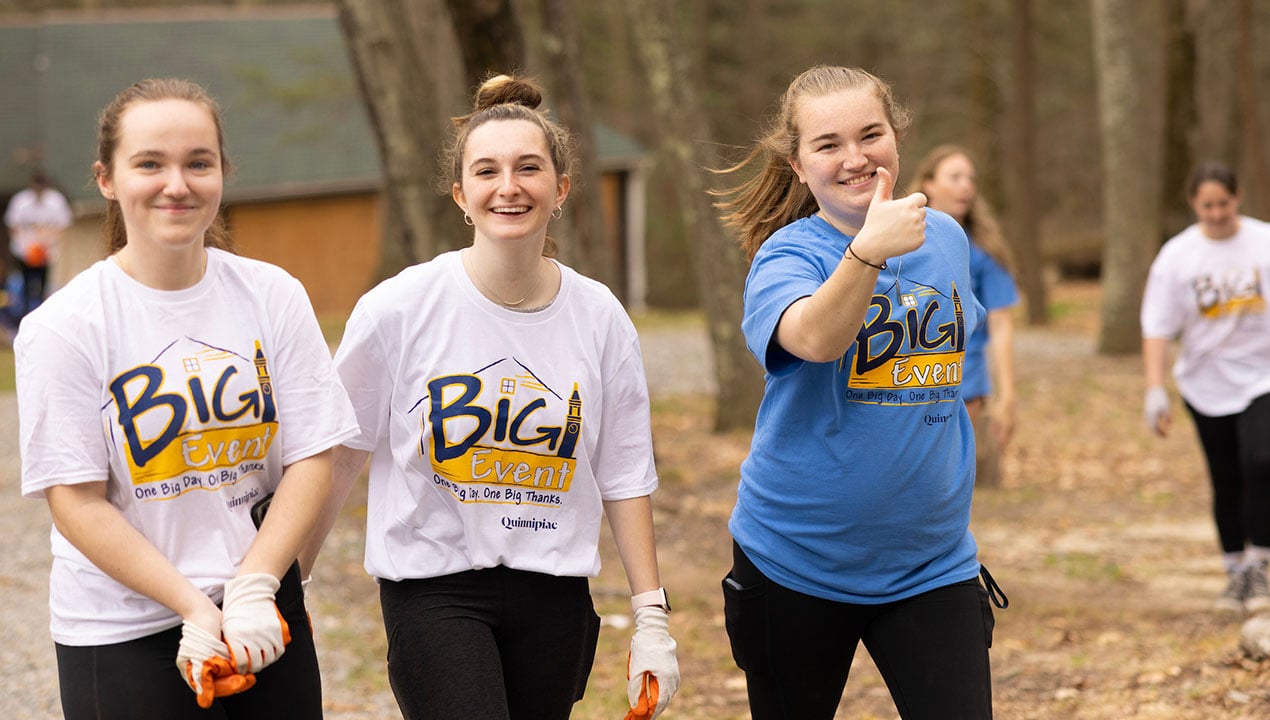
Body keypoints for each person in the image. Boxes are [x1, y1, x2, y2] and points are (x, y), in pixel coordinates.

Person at [301, 74, 679, 720]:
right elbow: (338, 455)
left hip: (555, 592)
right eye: (487, 171)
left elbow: (623, 473)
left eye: (529, 168)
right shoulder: (399, 310)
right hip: (433, 589)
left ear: (560, 189)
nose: (509, 186)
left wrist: (651, 620)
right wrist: (292, 582)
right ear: (461, 195)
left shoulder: (601, 317)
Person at [14, 78, 358, 719]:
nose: (177, 183)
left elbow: (314, 453)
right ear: (108, 179)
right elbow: (76, 501)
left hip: (261, 610)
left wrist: (255, 586)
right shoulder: (64, 324)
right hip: (123, 627)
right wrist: (195, 608)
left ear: (222, 171)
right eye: (150, 163)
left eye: (198, 162)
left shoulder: (272, 294)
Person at [712, 65, 1006, 719]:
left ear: (897, 137)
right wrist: (867, 252)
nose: (854, 158)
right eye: (828, 144)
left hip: (931, 563)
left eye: (869, 134)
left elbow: (955, 359)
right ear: (798, 164)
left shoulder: (948, 240)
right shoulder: (787, 257)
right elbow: (814, 339)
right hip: (795, 562)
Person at [1142, 162, 1270, 616]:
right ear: (1194, 205)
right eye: (1207, 205)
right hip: (1207, 382)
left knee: (1261, 461)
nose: (1217, 213)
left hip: (1267, 375)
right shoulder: (1178, 256)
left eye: (1224, 203)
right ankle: (1234, 571)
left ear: (1237, 198)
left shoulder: (1268, 243)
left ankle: (1260, 564)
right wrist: (1154, 388)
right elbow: (1158, 326)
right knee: (1226, 477)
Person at [907, 145, 1019, 488]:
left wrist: (1007, 395)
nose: (966, 186)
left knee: (945, 483)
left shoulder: (984, 250)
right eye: (955, 177)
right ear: (928, 184)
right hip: (901, 383)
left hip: (963, 384)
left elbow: (1001, 326)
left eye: (970, 179)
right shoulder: (892, 240)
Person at [4, 169, 73, 319]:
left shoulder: (55, 201)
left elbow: (63, 226)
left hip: (47, 251)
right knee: (26, 285)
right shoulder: (21, 201)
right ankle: (25, 314)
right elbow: (13, 225)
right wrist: (27, 243)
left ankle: (43, 314)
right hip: (24, 251)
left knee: (43, 285)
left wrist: (46, 240)